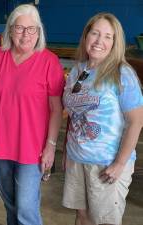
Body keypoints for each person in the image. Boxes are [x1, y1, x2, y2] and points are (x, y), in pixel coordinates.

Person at [0, 4, 65, 225]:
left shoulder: (49, 62)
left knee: (26, 209)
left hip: (32, 149)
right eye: (19, 28)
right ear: (9, 30)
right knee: (10, 205)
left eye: (31, 29)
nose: (25, 34)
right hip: (1, 145)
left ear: (39, 32)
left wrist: (51, 146)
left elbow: (56, 109)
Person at [62, 12, 143, 225]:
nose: (99, 41)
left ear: (116, 43)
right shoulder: (78, 70)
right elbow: (73, 114)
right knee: (82, 217)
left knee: (105, 222)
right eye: (95, 33)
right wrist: (67, 151)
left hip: (106, 164)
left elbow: (136, 122)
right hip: (77, 159)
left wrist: (119, 163)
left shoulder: (122, 74)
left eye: (108, 36)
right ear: (86, 36)